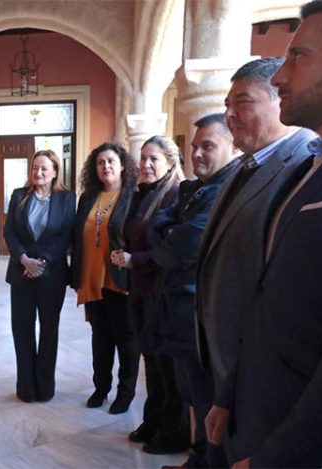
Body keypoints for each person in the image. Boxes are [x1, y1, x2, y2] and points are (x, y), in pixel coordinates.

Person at [227, 1, 322, 467]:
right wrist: (229, 396)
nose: (281, 77)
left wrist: (277, 460)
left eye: (299, 57)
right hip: (263, 413)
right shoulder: (312, 164)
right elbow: (267, 298)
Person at [195, 57, 315, 463]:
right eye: (227, 104)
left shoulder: (303, 163)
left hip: (259, 368)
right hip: (225, 358)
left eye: (242, 102)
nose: (229, 114)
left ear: (280, 99)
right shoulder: (244, 167)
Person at [116, 113, 240, 467]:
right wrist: (164, 236)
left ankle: (181, 441)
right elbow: (160, 229)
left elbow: (179, 246)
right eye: (194, 146)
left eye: (208, 146)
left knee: (188, 386)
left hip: (185, 300)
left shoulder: (192, 190)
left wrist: (150, 250)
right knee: (161, 369)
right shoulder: (176, 191)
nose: (198, 153)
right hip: (155, 294)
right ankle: (170, 435)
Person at [112, 136, 189, 454]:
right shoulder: (143, 193)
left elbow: (173, 249)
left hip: (164, 293)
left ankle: (173, 432)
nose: (145, 164)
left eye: (153, 159)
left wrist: (136, 259)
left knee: (167, 366)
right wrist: (125, 255)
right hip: (141, 290)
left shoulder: (177, 195)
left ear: (170, 162)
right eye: (143, 158)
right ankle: (153, 421)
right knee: (151, 361)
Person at [70, 142, 138, 414]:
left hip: (120, 280)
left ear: (122, 166)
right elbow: (77, 236)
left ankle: (125, 393)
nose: (106, 166)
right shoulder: (88, 198)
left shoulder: (133, 196)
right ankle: (101, 388)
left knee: (126, 340)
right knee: (100, 338)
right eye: (100, 162)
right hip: (92, 279)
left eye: (111, 161)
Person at [3, 149, 75, 403]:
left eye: (44, 168)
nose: (39, 172)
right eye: (35, 168)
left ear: (55, 171)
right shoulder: (19, 195)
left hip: (51, 274)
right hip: (21, 273)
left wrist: (42, 262)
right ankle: (26, 387)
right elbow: (9, 232)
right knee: (22, 329)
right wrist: (24, 259)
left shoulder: (66, 199)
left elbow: (65, 235)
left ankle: (44, 388)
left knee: (49, 331)